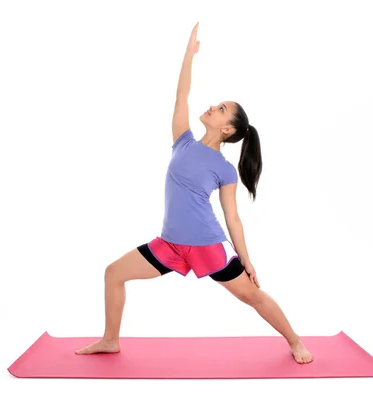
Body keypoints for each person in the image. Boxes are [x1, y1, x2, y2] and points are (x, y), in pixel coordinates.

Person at [76, 22, 313, 364]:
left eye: (220, 109)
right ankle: (110, 340)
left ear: (227, 129)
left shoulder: (225, 169)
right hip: (169, 243)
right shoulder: (182, 140)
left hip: (206, 246)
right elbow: (181, 96)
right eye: (216, 104)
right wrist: (188, 56)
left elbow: (232, 216)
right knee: (114, 273)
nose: (212, 107)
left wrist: (245, 258)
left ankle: (295, 341)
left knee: (253, 296)